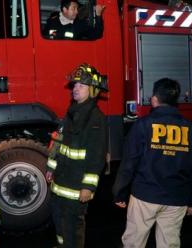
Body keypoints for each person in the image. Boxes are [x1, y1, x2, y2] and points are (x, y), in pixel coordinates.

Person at [113, 78, 192, 248]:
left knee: (133, 243)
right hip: (177, 198)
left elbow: (129, 163)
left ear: (154, 99)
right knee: (169, 244)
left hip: (145, 195)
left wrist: (119, 192)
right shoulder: (191, 128)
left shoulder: (143, 125)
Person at [45, 63, 108, 247]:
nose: (75, 88)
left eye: (81, 85)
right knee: (59, 224)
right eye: (74, 85)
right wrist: (51, 167)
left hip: (76, 188)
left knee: (73, 229)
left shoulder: (96, 119)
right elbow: (59, 141)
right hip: (60, 184)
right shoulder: (72, 112)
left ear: (93, 90)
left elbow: (97, 155)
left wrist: (88, 187)